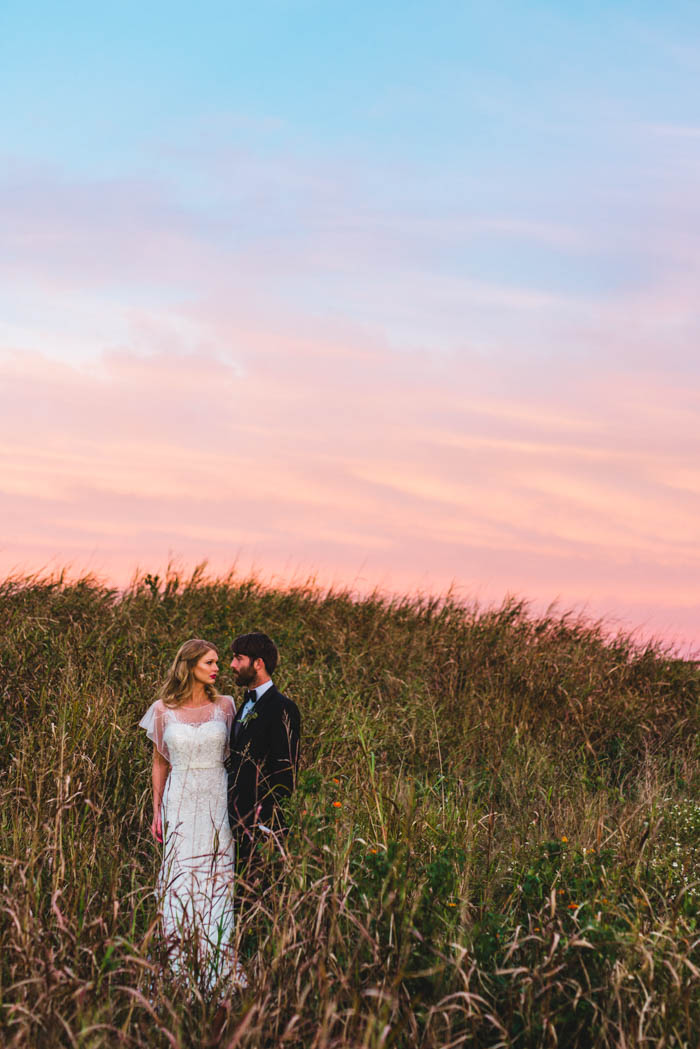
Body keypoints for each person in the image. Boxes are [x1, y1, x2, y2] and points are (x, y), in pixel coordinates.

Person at [139, 639, 246, 991]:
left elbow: (239, 755)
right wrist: (157, 809)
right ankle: (178, 965)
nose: (218, 669)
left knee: (216, 876)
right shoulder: (162, 709)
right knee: (180, 877)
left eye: (217, 662)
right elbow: (160, 761)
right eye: (210, 663)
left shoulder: (226, 706)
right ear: (189, 666)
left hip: (216, 796)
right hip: (180, 798)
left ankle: (217, 965)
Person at [227, 632, 301, 868]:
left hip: (261, 823)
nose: (232, 665)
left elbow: (285, 768)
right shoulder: (245, 704)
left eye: (238, 658)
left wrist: (269, 822)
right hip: (236, 818)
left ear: (258, 663)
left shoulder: (283, 707)